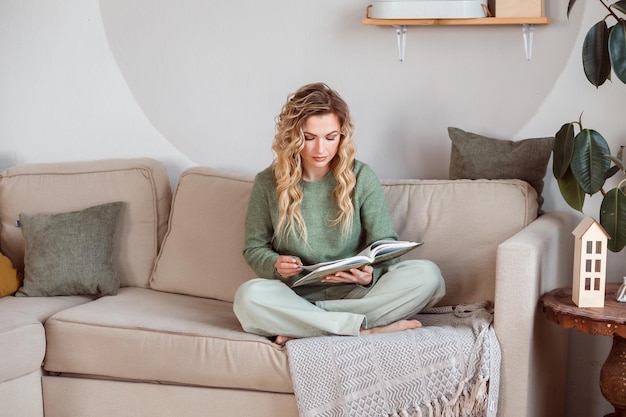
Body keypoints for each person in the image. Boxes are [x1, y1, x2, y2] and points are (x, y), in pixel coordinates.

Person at [233, 83, 445, 345]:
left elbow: (385, 243)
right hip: (297, 296)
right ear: (293, 137)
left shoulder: (360, 176)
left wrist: (370, 275)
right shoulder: (267, 183)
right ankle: (361, 330)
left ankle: (308, 326)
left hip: (356, 294)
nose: (320, 149)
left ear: (342, 136)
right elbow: (254, 248)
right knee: (248, 297)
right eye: (309, 138)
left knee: (428, 275)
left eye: (330, 137)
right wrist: (275, 264)